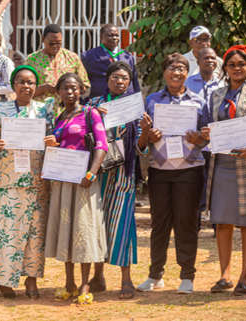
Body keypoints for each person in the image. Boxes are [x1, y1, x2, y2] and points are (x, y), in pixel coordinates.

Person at [201, 45, 246, 296]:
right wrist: (208, 133)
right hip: (223, 163)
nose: (236, 68)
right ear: (225, 68)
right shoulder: (217, 94)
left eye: (241, 64)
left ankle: (245, 277)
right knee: (222, 221)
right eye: (231, 64)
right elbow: (212, 125)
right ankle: (225, 276)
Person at [136, 53, 210, 295]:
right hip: (159, 172)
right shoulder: (152, 100)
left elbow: (206, 139)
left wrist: (199, 139)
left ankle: (187, 276)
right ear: (164, 72)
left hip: (189, 170)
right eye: (171, 68)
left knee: (186, 223)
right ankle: (155, 275)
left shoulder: (199, 101)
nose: (176, 72)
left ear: (187, 74)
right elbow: (143, 142)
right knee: (159, 225)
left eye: (181, 68)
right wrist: (150, 135)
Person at [0, 65, 55, 299]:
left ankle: (31, 279)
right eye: (22, 82)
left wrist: (51, 142)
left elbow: (53, 138)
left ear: (36, 86)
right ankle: (5, 280)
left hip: (38, 180)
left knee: (35, 232)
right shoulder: (0, 108)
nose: (26, 86)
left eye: (31, 82)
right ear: (14, 85)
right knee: (6, 232)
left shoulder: (45, 109)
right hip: (8, 178)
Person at [85, 61, 151, 299]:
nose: (120, 81)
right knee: (98, 223)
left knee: (122, 224)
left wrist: (144, 130)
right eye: (116, 77)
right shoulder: (93, 104)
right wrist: (95, 115)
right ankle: (98, 277)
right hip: (98, 175)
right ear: (107, 79)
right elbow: (84, 135)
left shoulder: (135, 109)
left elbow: (140, 148)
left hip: (123, 175)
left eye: (125, 78)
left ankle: (126, 279)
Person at [45, 73, 108, 306]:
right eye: (64, 88)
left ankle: (84, 285)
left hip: (84, 182)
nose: (69, 92)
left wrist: (91, 174)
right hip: (63, 182)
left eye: (73, 88)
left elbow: (102, 145)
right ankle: (69, 283)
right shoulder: (60, 117)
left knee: (83, 232)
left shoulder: (90, 114)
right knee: (67, 231)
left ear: (81, 90)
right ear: (58, 92)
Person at [184, 47, 223, 225]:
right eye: (206, 58)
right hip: (195, 142)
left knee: (216, 183)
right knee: (197, 183)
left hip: (218, 142)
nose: (210, 61)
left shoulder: (224, 83)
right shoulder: (188, 82)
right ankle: (196, 224)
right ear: (197, 62)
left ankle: (217, 224)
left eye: (213, 58)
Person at [25, 24, 90, 109]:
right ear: (43, 39)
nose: (55, 46)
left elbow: (84, 86)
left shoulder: (73, 58)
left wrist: (68, 90)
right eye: (51, 43)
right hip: (40, 111)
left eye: (58, 43)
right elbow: (24, 91)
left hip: (67, 111)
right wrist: (43, 88)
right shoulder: (32, 59)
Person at [80, 24, 140, 101]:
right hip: (101, 103)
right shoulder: (88, 56)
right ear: (101, 37)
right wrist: (82, 102)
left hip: (126, 102)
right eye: (110, 35)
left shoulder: (127, 56)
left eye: (117, 35)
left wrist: (138, 102)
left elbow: (134, 82)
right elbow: (80, 81)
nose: (114, 38)